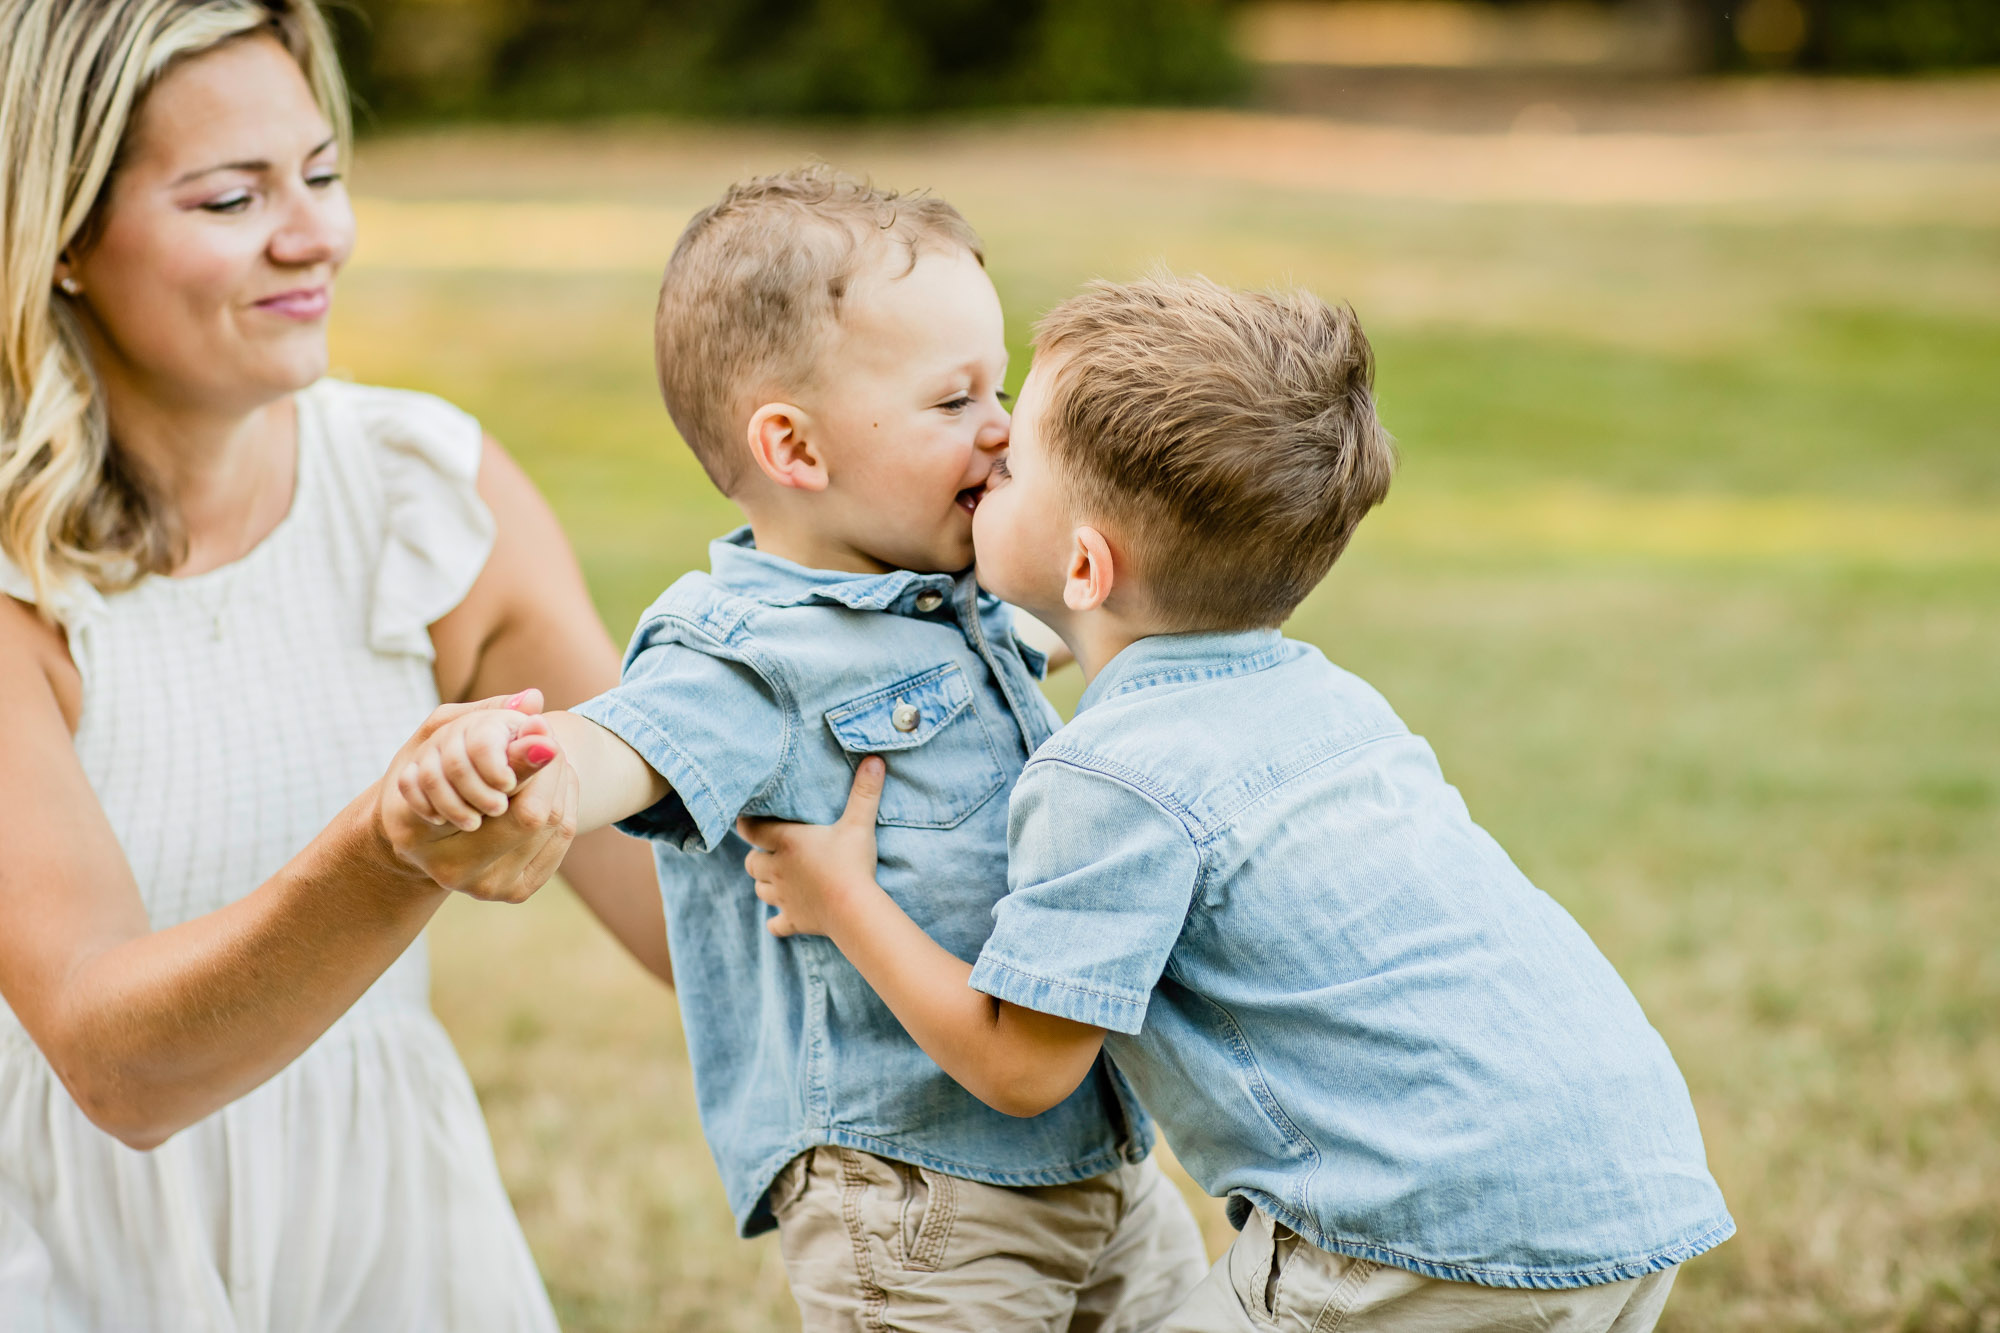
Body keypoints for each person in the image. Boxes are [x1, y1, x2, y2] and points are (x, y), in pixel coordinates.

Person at [737, 275, 1737, 1331]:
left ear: (1083, 564)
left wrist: (840, 895)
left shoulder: (1110, 779)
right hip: (1622, 1183)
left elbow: (1019, 1064)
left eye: (1016, 455)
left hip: (1422, 1229)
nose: (987, 450)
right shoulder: (1318, 695)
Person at [388, 166, 1209, 1330]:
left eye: (1002, 389)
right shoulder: (745, 657)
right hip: (916, 1196)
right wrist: (517, 769)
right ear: (794, 448)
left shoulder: (949, 594)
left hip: (1096, 1155)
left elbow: (1044, 639)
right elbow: (622, 742)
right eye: (951, 401)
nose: (999, 428)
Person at [0, 2, 667, 1327]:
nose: (314, 236)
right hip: (78, 1258)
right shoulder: (24, 584)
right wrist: (391, 848)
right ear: (63, 236)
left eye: (320, 173)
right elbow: (119, 1066)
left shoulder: (428, 497)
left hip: (394, 1246)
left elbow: (681, 913)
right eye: (231, 197)